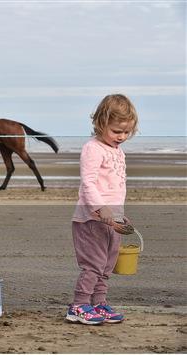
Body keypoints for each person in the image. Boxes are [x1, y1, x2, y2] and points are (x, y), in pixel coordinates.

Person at [66, 94, 139, 325]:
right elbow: (88, 183)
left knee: (107, 265)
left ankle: (98, 302)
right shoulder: (93, 148)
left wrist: (117, 213)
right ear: (100, 123)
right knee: (94, 264)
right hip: (91, 219)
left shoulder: (118, 151)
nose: (122, 136)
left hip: (112, 219)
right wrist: (100, 207)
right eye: (117, 131)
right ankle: (78, 305)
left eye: (127, 132)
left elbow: (114, 187)